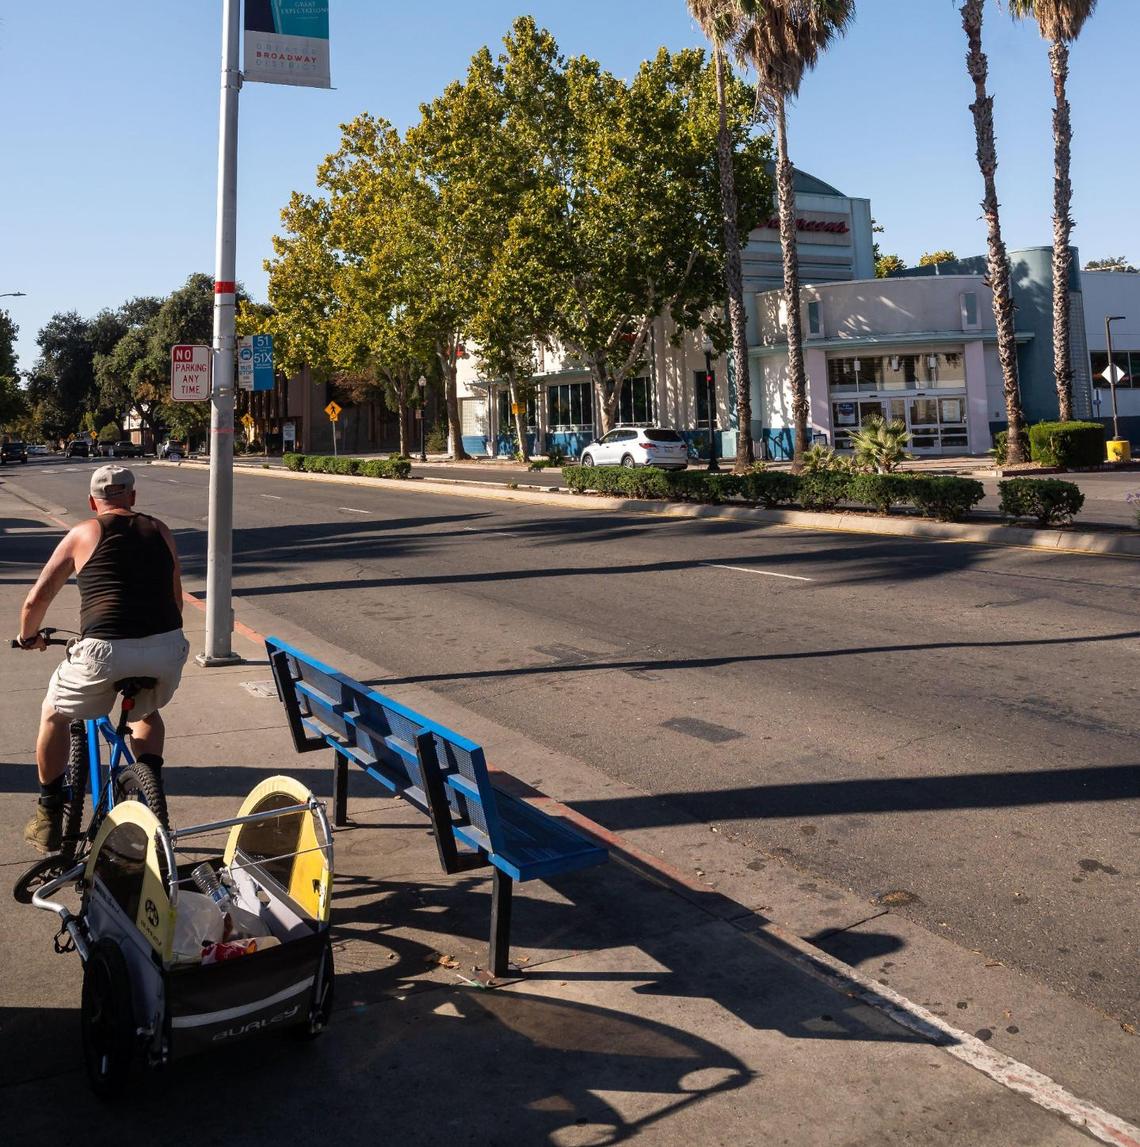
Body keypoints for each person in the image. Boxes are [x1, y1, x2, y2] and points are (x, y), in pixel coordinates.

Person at [16, 465, 188, 853]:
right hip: (165, 644)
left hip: (104, 651)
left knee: (54, 713)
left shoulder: (83, 532)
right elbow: (175, 592)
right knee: (146, 712)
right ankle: (152, 790)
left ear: (93, 502)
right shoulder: (159, 529)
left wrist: (28, 637)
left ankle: (47, 815)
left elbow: (37, 599)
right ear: (132, 497)